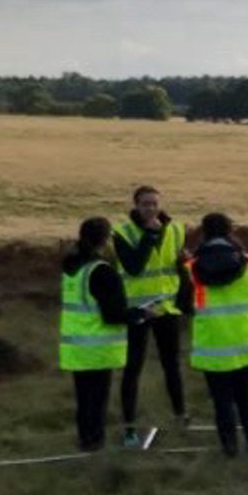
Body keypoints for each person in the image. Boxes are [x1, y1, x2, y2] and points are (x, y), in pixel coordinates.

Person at [60, 216, 147, 451]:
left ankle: (84, 443)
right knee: (97, 402)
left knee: (83, 400)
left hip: (76, 347)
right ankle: (94, 446)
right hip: (97, 347)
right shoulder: (102, 271)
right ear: (105, 240)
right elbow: (113, 314)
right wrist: (139, 314)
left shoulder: (71, 269)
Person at [183, 213, 248, 458]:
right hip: (244, 340)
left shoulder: (192, 267)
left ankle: (229, 448)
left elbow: (185, 304)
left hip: (213, 344)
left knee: (221, 401)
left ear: (204, 232)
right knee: (244, 396)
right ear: (231, 231)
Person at [113, 185, 187, 440]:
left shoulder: (176, 229)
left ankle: (180, 415)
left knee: (172, 365)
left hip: (166, 307)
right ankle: (129, 428)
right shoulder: (122, 232)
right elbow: (133, 267)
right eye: (146, 204)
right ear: (135, 205)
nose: (151, 209)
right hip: (137, 309)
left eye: (155, 203)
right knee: (133, 368)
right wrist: (149, 236)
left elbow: (177, 266)